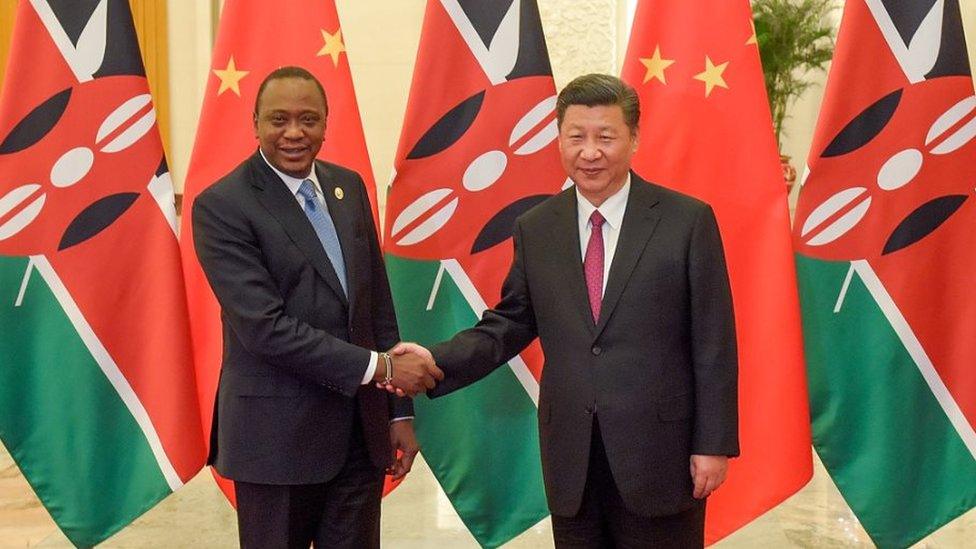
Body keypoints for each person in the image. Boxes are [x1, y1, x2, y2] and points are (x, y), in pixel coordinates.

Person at [394, 74, 739, 547]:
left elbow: (714, 342)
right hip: (573, 457)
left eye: (606, 137)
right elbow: (510, 322)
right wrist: (436, 360)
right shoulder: (538, 227)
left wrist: (712, 443)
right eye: (576, 136)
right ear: (559, 139)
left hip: (661, 455)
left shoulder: (686, 220)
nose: (590, 152)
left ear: (634, 139)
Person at [192, 66, 442, 549]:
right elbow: (266, 329)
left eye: (308, 119)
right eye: (278, 119)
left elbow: (376, 307)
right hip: (276, 443)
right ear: (255, 123)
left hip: (359, 437)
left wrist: (398, 413)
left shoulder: (347, 188)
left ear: (327, 124)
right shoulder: (222, 205)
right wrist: (383, 367)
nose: (293, 133)